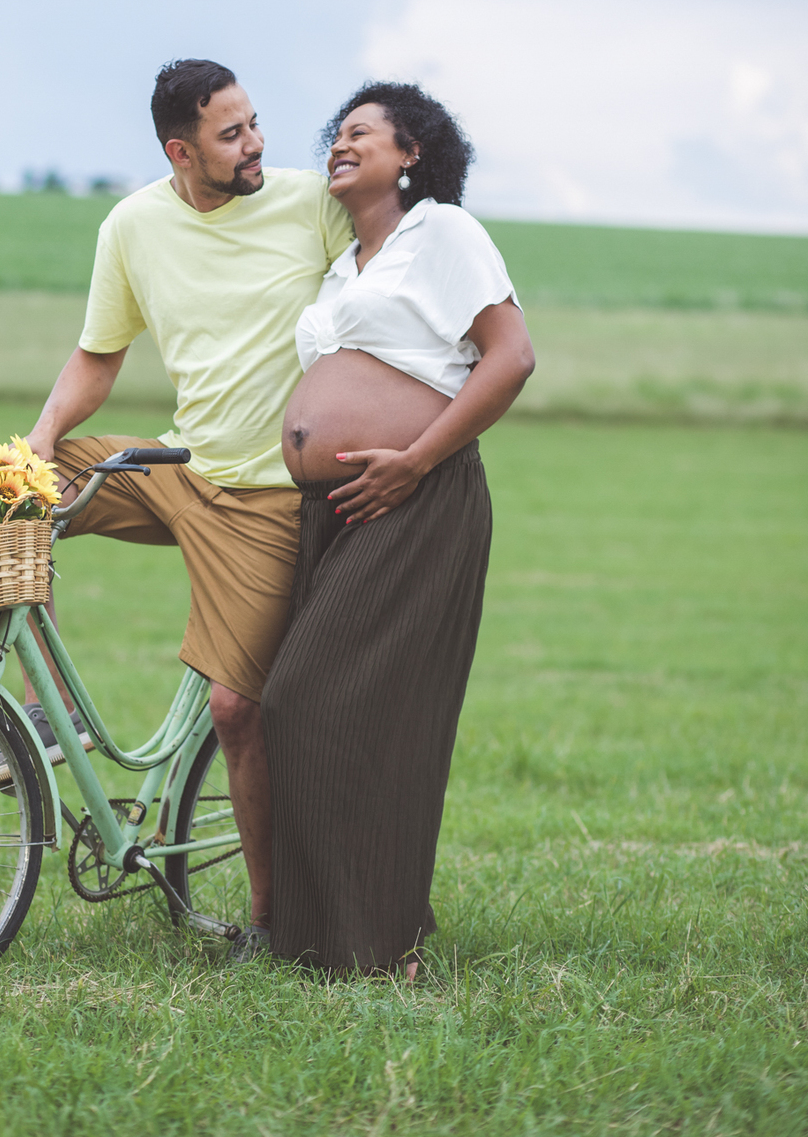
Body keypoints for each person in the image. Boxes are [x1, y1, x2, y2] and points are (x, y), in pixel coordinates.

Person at [0, 58, 352, 960]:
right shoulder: (133, 225)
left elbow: (381, 303)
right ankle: (46, 711)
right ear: (181, 152)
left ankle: (268, 922)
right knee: (3, 493)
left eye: (254, 123)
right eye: (231, 134)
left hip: (268, 498)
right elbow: (99, 356)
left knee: (235, 709)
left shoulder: (309, 207)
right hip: (179, 467)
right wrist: (41, 438)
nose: (255, 144)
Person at [261, 81, 535, 975]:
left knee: (313, 703)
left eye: (363, 133)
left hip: (415, 498)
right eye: (335, 135)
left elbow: (511, 357)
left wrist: (415, 460)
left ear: (411, 153)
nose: (340, 145)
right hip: (335, 508)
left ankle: (380, 943)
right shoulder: (346, 265)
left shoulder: (443, 233)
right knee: (329, 713)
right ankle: (325, 941)